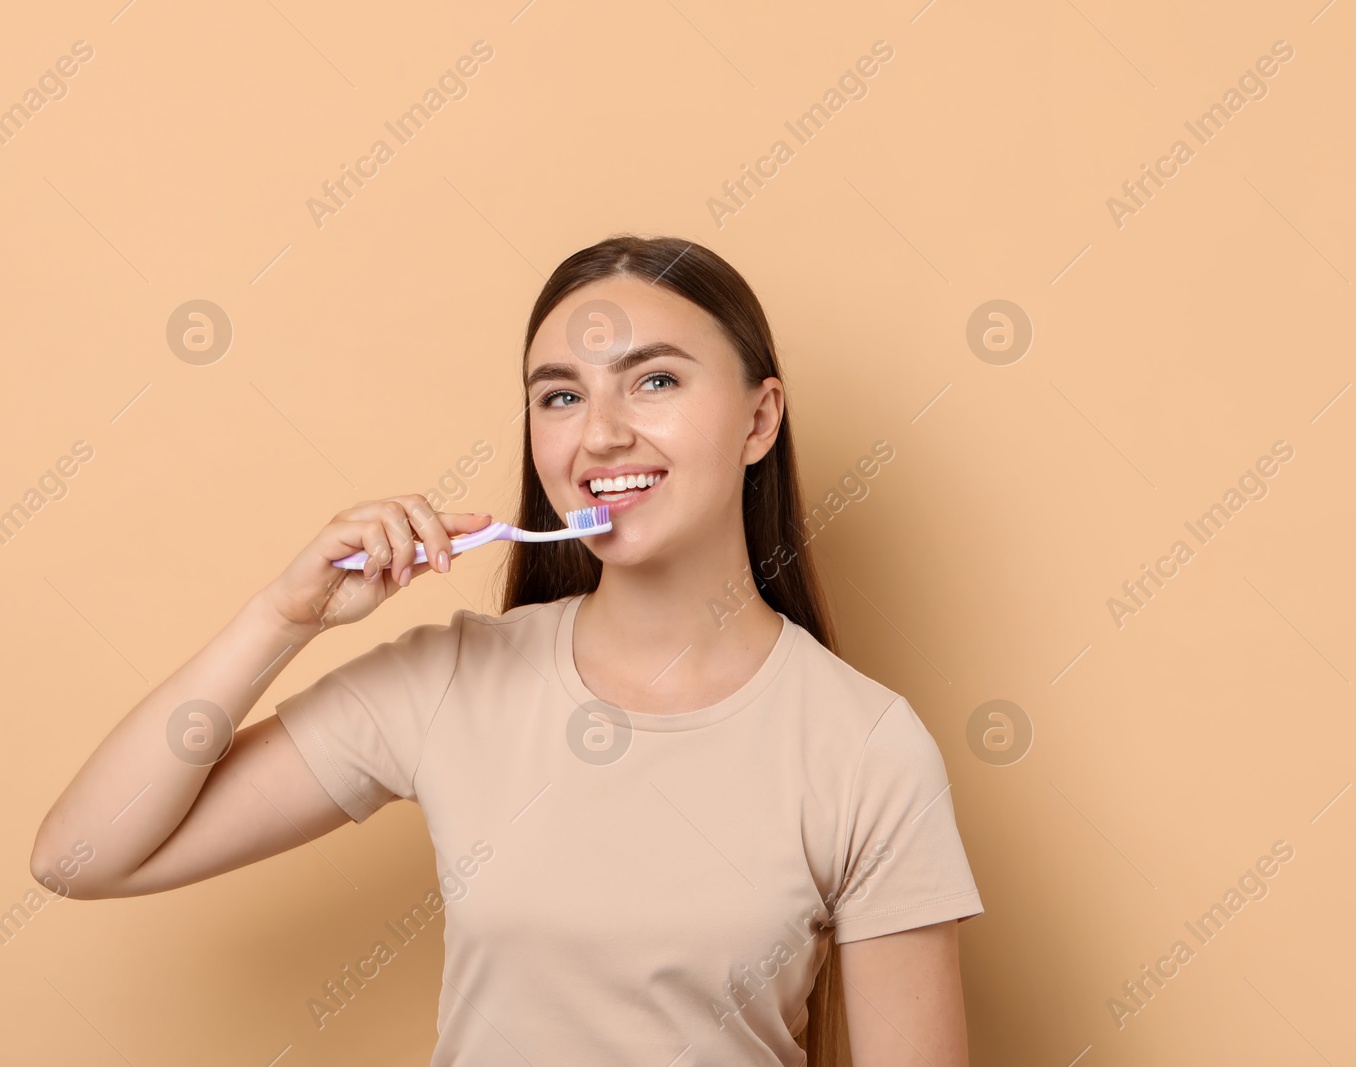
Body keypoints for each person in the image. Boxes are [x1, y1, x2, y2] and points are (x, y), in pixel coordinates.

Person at [32, 234, 984, 1065]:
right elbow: (80, 854)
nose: (603, 435)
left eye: (655, 380)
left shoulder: (866, 749)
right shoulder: (452, 678)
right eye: (561, 396)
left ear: (759, 419)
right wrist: (282, 618)